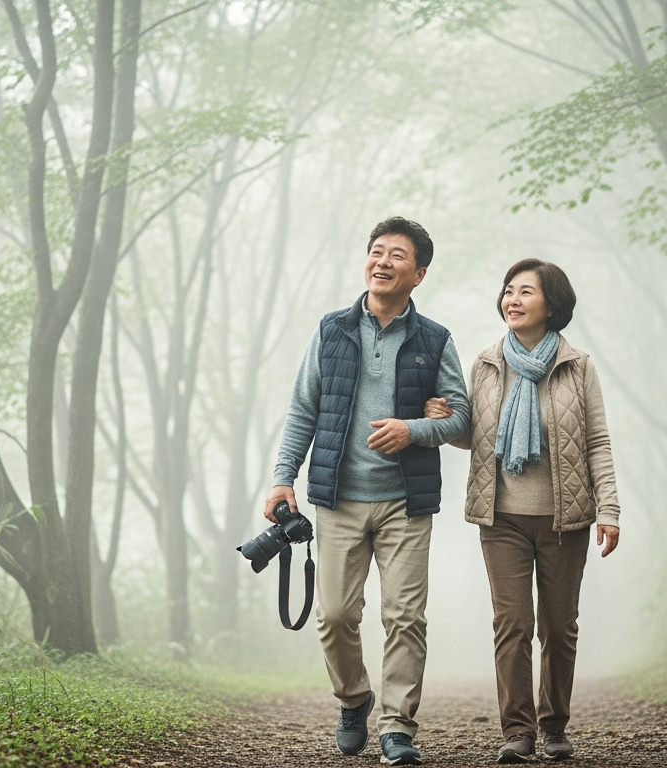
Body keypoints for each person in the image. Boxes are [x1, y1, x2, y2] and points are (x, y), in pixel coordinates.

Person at [266, 216, 470, 766]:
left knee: (405, 617)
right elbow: (303, 409)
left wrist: (414, 430)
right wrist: (283, 478)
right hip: (338, 497)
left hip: (407, 501)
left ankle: (397, 727)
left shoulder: (435, 340)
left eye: (397, 255)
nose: (383, 261)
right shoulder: (331, 330)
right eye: (377, 251)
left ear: (418, 274)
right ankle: (354, 698)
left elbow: (460, 417)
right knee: (334, 615)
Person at [424, 258, 620, 763]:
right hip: (502, 518)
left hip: (565, 519)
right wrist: (444, 419)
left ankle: (553, 727)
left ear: (551, 304)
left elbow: (596, 441)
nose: (512, 299)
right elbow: (476, 435)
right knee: (512, 624)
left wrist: (610, 509)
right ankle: (518, 731)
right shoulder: (487, 364)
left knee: (559, 626)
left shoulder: (577, 366)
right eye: (508, 290)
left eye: (525, 291)